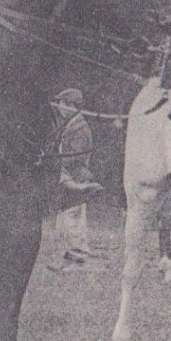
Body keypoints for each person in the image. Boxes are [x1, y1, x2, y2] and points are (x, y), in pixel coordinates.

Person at [45, 87, 101, 270]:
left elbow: (77, 156)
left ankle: (79, 258)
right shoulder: (70, 125)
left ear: (71, 106)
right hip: (69, 176)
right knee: (65, 218)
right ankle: (70, 256)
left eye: (61, 104)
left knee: (73, 218)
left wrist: (55, 160)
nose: (59, 108)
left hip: (77, 177)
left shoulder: (80, 127)